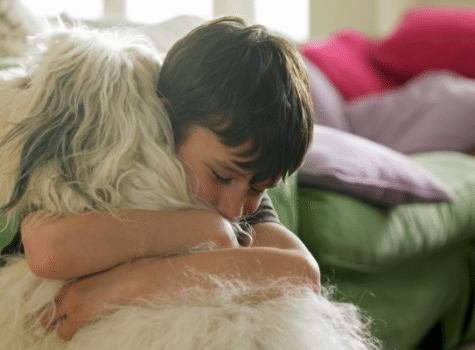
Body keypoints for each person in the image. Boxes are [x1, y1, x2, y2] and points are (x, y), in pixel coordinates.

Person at [1, 16, 318, 341]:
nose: (235, 209)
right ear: (166, 120)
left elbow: (303, 274)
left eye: (260, 187)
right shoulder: (112, 149)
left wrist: (128, 285)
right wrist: (206, 229)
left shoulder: (235, 179)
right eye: (222, 176)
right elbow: (49, 250)